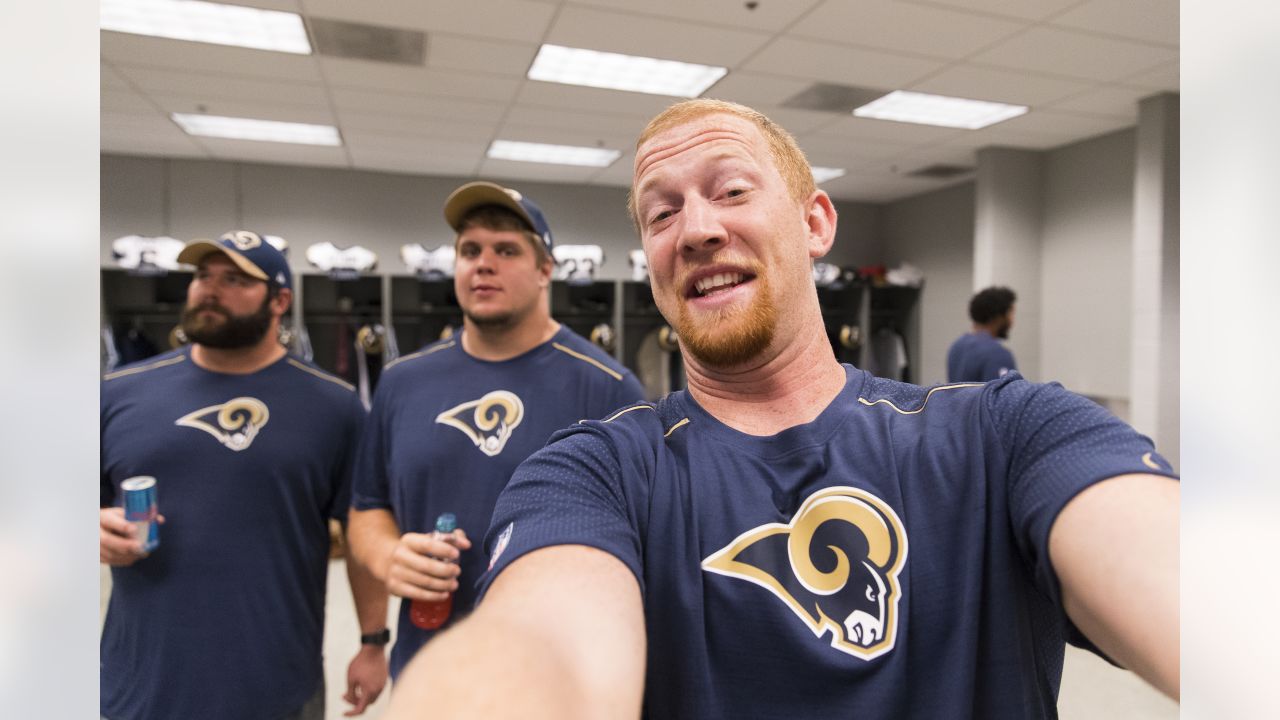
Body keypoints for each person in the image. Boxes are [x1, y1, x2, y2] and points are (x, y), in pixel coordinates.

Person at [384, 100, 1180, 719]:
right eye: (661, 213)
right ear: (652, 268)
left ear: (815, 223)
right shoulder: (592, 473)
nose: (696, 228)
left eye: (731, 190)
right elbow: (545, 644)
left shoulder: (1004, 435)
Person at [346, 182, 646, 682]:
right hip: (428, 670)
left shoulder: (609, 388)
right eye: (470, 250)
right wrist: (389, 554)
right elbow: (367, 506)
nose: (483, 263)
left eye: (506, 250)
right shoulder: (402, 381)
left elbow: (641, 547)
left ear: (545, 270)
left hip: (554, 679)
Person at [100, 231, 389, 719]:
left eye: (235, 279)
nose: (210, 290)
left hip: (275, 683)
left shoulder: (335, 407)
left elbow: (364, 533)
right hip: (143, 682)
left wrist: (373, 642)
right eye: (203, 276)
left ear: (281, 301)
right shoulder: (119, 393)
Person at [947, 286, 1018, 382]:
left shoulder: (957, 346)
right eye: (1010, 313)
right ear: (998, 316)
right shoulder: (997, 354)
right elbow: (1003, 395)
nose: (1012, 321)